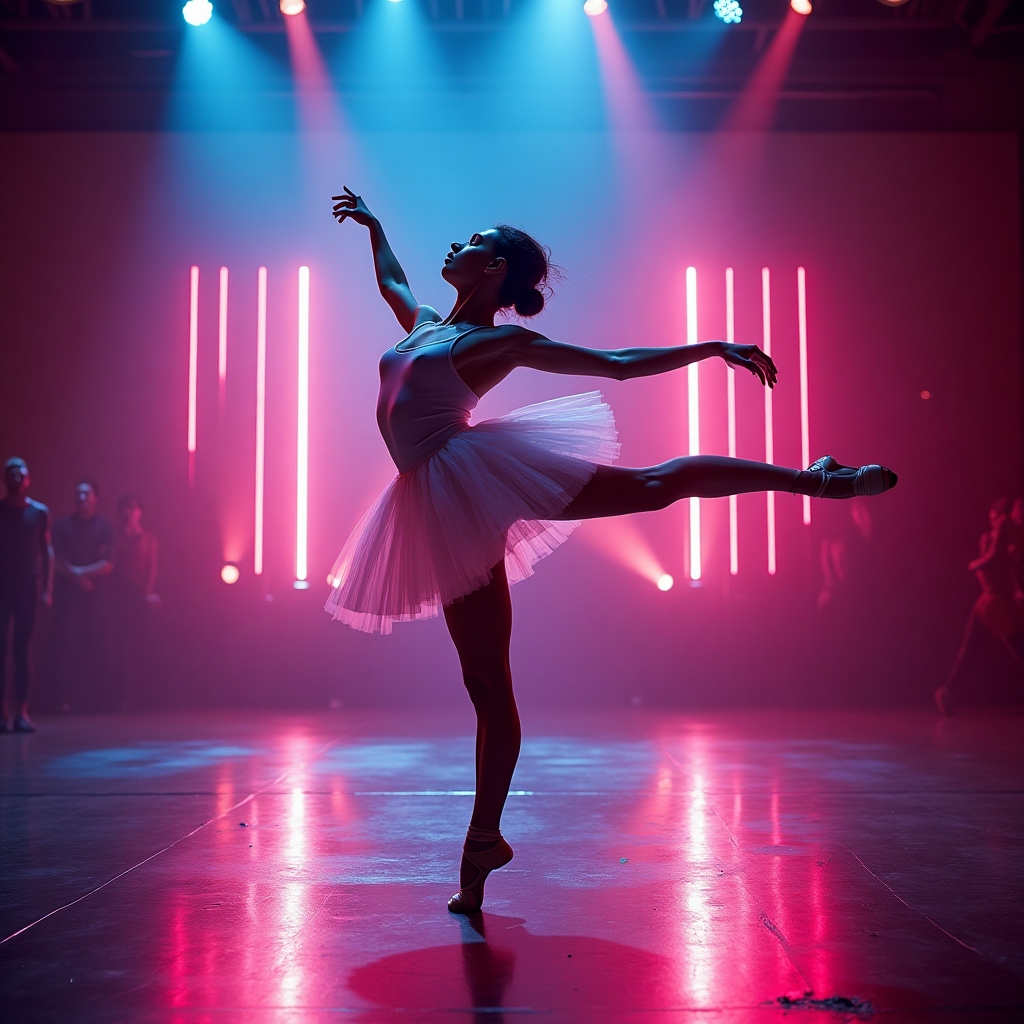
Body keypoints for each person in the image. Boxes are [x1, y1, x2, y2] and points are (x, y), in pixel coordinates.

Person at [326, 188, 898, 914]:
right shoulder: (424, 326)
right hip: (438, 492)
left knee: (654, 486)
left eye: (469, 240)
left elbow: (619, 364)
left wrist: (710, 346)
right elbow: (393, 280)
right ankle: (483, 848)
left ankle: (812, 481)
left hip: (467, 478)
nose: (453, 246)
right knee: (486, 687)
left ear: (493, 267)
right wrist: (374, 229)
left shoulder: (499, 344)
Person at [935, 497, 1024, 716]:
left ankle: (947, 691)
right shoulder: (1000, 534)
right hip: (993, 602)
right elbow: (998, 562)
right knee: (972, 649)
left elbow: (995, 561)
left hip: (999, 603)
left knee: (975, 650)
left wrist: (973, 565)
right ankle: (946, 691)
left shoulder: (1008, 529)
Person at [51, 480, 115, 712]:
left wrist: (80, 573)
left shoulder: (105, 528)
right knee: (66, 647)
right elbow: (56, 560)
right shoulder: (62, 526)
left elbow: (109, 564)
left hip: (97, 599)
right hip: (68, 598)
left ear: (95, 497)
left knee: (95, 647)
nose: (82, 498)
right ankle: (64, 700)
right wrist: (76, 578)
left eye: (86, 493)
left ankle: (94, 701)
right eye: (78, 493)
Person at [0, 458, 53, 733]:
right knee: (0, 650)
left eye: (21, 474)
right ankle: (2, 711)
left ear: (28, 479)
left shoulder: (39, 513)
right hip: (2, 587)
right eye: (11, 474)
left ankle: (21, 712)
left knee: (22, 650)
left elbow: (47, 553)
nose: (17, 478)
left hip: (26, 587)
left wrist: (47, 589)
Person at [112, 494, 160, 711]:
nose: (128, 512)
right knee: (121, 649)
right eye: (125, 508)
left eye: (133, 508)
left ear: (139, 511)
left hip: (139, 601)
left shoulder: (148, 539)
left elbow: (152, 569)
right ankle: (123, 697)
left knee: (141, 647)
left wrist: (147, 593)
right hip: (120, 600)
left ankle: (142, 698)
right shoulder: (115, 539)